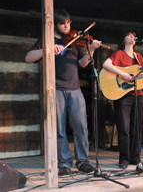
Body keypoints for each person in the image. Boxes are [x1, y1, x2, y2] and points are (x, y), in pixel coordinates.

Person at [25, 9, 102, 176]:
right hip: (56, 90)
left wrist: (92, 48)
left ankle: (83, 161)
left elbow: (82, 63)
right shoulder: (47, 40)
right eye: (63, 23)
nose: (67, 26)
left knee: (81, 127)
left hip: (75, 89)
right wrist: (48, 49)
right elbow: (29, 57)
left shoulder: (75, 41)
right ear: (55, 24)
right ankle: (64, 163)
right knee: (59, 128)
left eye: (68, 23)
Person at [102, 31, 143, 169]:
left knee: (137, 127)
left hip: (138, 94)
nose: (133, 37)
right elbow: (106, 64)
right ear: (124, 39)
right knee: (124, 127)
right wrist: (124, 74)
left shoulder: (138, 57)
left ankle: (135, 157)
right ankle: (124, 159)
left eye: (134, 35)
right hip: (122, 95)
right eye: (129, 35)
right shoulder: (119, 54)